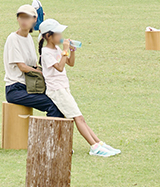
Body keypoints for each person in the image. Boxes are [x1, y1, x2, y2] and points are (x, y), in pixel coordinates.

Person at [38, 19, 119, 157]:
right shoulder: (46, 52)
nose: (61, 36)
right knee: (78, 117)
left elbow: (71, 63)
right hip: (56, 90)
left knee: (80, 118)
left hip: (63, 87)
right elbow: (59, 67)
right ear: (48, 36)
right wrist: (64, 50)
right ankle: (94, 147)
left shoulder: (57, 49)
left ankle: (99, 143)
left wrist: (71, 51)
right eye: (58, 33)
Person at [3, 4, 63, 118]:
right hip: (16, 89)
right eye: (21, 17)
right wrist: (41, 73)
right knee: (53, 106)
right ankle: (48, 135)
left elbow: (33, 64)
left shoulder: (29, 38)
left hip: (30, 86)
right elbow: (23, 67)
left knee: (59, 102)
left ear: (35, 19)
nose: (24, 21)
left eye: (27, 17)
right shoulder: (13, 38)